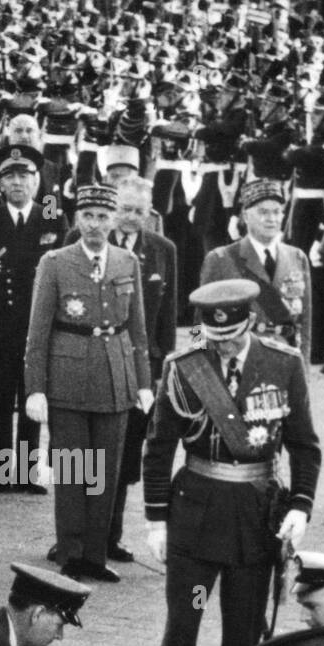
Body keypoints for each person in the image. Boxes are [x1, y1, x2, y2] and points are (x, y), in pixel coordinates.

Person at [144, 280, 319, 646]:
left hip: (255, 516)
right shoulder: (184, 366)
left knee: (244, 626)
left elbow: (304, 445)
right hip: (195, 513)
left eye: (232, 336)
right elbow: (159, 446)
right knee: (184, 622)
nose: (222, 346)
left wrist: (301, 505)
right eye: (214, 336)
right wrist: (156, 519)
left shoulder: (283, 364)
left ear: (252, 322)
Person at [24, 184, 152, 583]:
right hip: (69, 378)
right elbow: (38, 331)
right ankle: (71, 551)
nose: (95, 225)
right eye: (88, 217)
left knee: (107, 471)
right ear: (76, 220)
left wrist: (144, 383)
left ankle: (96, 555)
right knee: (74, 469)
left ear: (114, 220)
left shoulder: (127, 261)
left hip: (116, 378)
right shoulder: (55, 262)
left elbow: (138, 330)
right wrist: (35, 388)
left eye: (102, 217)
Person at [0, 145, 64, 494]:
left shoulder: (53, 217)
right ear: (0, 183)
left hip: (37, 330)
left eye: (24, 176)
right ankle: (1, 473)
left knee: (32, 399)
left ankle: (26, 473)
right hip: (0, 328)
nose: (17, 183)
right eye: (9, 177)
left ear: (35, 180)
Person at [107, 174, 177, 562]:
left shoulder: (163, 249)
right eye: (124, 209)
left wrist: (173, 364)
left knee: (127, 453)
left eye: (139, 211)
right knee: (80, 454)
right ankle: (73, 534)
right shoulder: (81, 239)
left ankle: (110, 535)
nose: (131, 218)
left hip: (143, 370)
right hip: (94, 364)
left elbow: (173, 316)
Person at [200, 178, 312, 361]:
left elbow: (305, 325)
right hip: (238, 361)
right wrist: (202, 368)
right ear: (245, 216)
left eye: (277, 212)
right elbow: (200, 323)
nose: (272, 219)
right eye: (263, 212)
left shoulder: (297, 258)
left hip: (285, 359)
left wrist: (303, 372)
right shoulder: (220, 259)